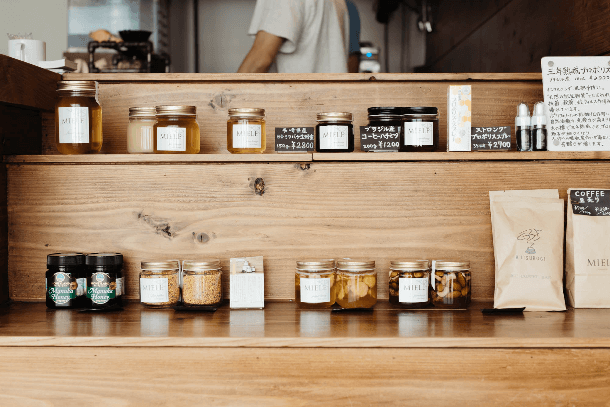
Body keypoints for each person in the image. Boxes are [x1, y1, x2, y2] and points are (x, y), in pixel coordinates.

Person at [237, 0, 350, 73]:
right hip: (330, 100)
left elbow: (259, 61)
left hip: (297, 101)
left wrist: (229, 96)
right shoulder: (339, 2)